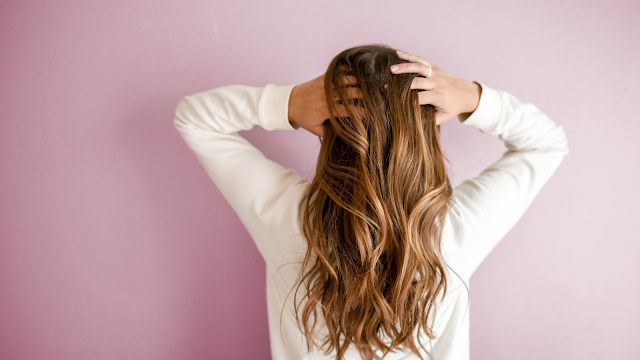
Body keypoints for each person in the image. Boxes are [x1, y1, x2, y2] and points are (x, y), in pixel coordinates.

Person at [173, 44, 569, 360]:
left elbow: (193, 118)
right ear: (424, 134)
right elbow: (547, 144)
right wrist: (472, 97)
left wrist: (288, 102)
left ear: (328, 128)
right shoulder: (454, 231)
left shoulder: (290, 220)